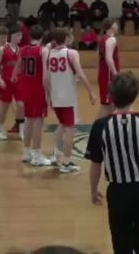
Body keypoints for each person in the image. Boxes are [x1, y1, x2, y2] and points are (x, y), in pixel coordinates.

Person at [85, 72, 139, 254]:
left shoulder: (100, 126)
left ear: (111, 96)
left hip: (118, 192)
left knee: (121, 245)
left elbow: (95, 164)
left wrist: (93, 190)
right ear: (135, 95)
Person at [45, 29, 96, 173]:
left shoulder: (49, 54)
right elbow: (80, 73)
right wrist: (91, 91)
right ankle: (66, 163)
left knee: (61, 125)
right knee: (69, 130)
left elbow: (46, 79)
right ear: (66, 38)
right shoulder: (71, 53)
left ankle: (54, 155)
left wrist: (49, 97)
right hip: (67, 97)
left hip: (56, 97)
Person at [13, 25, 52, 166]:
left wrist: (14, 77)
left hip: (26, 89)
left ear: (29, 36)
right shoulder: (43, 50)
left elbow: (17, 67)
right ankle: (37, 154)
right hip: (38, 89)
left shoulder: (23, 50)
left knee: (28, 120)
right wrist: (48, 92)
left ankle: (26, 152)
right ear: (42, 37)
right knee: (39, 122)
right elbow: (45, 75)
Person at [0, 26, 24, 140]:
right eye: (18, 35)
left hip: (19, 82)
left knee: (21, 105)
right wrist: (0, 79)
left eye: (21, 35)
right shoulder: (2, 49)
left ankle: (21, 128)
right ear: (11, 36)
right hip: (6, 82)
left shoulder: (22, 50)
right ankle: (1, 127)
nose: (20, 37)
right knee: (4, 107)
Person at [97, 18, 121, 118]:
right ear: (111, 26)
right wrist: (115, 73)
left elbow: (98, 57)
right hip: (108, 75)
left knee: (112, 104)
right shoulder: (111, 39)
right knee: (107, 105)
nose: (118, 26)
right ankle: (98, 128)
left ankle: (108, 126)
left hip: (104, 73)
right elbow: (108, 58)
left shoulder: (102, 39)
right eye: (116, 24)